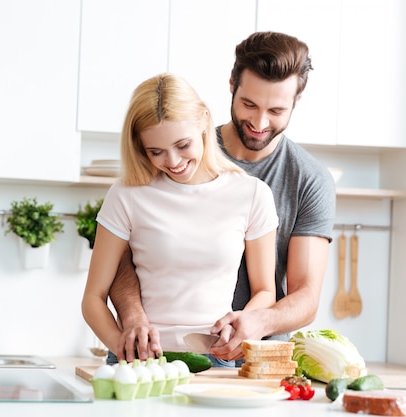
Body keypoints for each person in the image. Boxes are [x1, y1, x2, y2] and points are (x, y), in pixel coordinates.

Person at [109, 31, 337, 363]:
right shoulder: (180, 149)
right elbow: (123, 257)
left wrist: (259, 320)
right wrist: (132, 316)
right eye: (249, 104)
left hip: (255, 361)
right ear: (231, 84)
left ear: (296, 102)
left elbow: (306, 295)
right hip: (161, 354)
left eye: (276, 110)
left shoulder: (308, 180)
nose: (260, 122)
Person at [81, 73, 279, 367]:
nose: (173, 161)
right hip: (140, 363)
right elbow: (93, 299)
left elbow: (265, 291)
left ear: (204, 121)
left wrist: (244, 325)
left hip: (215, 357)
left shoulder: (252, 194)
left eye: (182, 145)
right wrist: (123, 349)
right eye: (156, 152)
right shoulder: (126, 194)